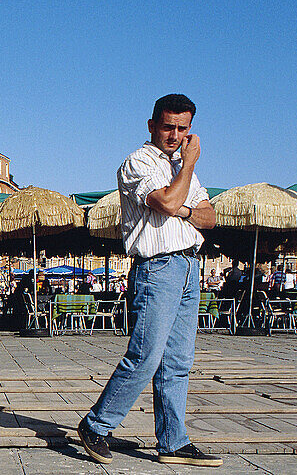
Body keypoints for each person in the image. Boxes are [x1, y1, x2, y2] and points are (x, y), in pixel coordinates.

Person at [78, 94, 221, 467]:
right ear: (152, 125)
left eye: (183, 128)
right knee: (146, 355)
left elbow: (210, 218)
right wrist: (187, 169)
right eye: (168, 126)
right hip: (157, 267)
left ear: (190, 129)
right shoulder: (138, 162)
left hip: (190, 266)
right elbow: (168, 203)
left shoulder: (184, 170)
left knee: (178, 361)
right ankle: (96, 425)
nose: (175, 135)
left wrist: (187, 200)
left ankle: (173, 441)